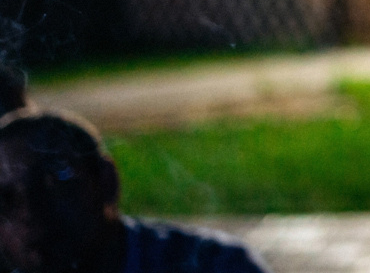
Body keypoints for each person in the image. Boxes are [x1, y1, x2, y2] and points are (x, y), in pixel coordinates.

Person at [0, 108, 271, 273]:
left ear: (106, 181)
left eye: (52, 185)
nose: (29, 213)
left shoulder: (211, 264)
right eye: (6, 200)